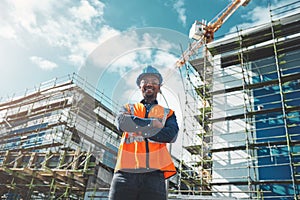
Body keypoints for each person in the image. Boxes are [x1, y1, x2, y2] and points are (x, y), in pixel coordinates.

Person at [108, 65, 179, 200]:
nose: (149, 84)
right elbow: (122, 123)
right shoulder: (128, 108)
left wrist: (137, 127)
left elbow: (171, 135)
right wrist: (152, 124)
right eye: (145, 81)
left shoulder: (167, 113)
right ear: (140, 86)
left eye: (154, 81)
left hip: (154, 177)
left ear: (159, 87)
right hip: (125, 173)